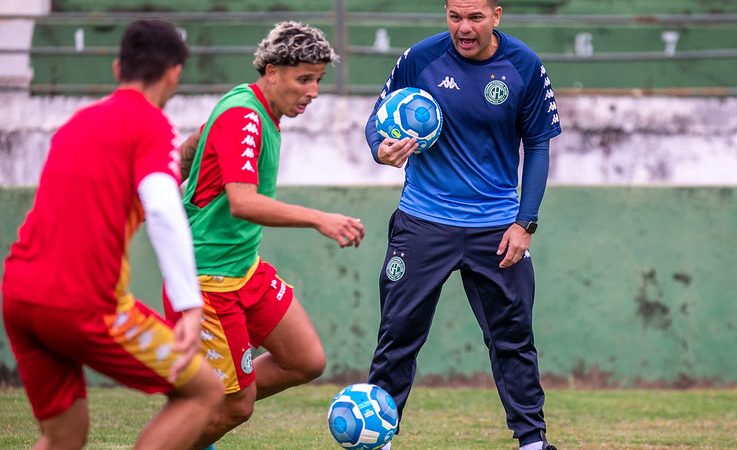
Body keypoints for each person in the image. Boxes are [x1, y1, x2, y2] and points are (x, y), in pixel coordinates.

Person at [1, 20, 224, 450]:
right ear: (175, 72)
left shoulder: (76, 123)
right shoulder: (151, 125)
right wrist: (190, 305)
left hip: (20, 297)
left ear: (118, 66)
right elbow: (162, 207)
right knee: (204, 389)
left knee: (64, 436)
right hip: (83, 304)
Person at [364, 1, 562, 449]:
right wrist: (381, 149)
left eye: (475, 17)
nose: (463, 28)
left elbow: (539, 147)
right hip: (422, 222)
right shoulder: (420, 59)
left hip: (496, 229)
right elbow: (377, 122)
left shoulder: (524, 65)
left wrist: (524, 222)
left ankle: (532, 442)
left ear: (497, 15)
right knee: (398, 335)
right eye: (455, 16)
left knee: (513, 340)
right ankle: (378, 441)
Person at [164, 21, 366, 449]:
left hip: (244, 268)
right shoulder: (246, 117)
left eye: (318, 80)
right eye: (304, 79)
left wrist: (164, 189)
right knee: (239, 407)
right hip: (209, 277)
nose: (313, 91)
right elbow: (243, 202)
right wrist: (319, 219)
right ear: (272, 71)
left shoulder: (246, 104)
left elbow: (194, 145)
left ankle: (201, 407)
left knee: (305, 360)